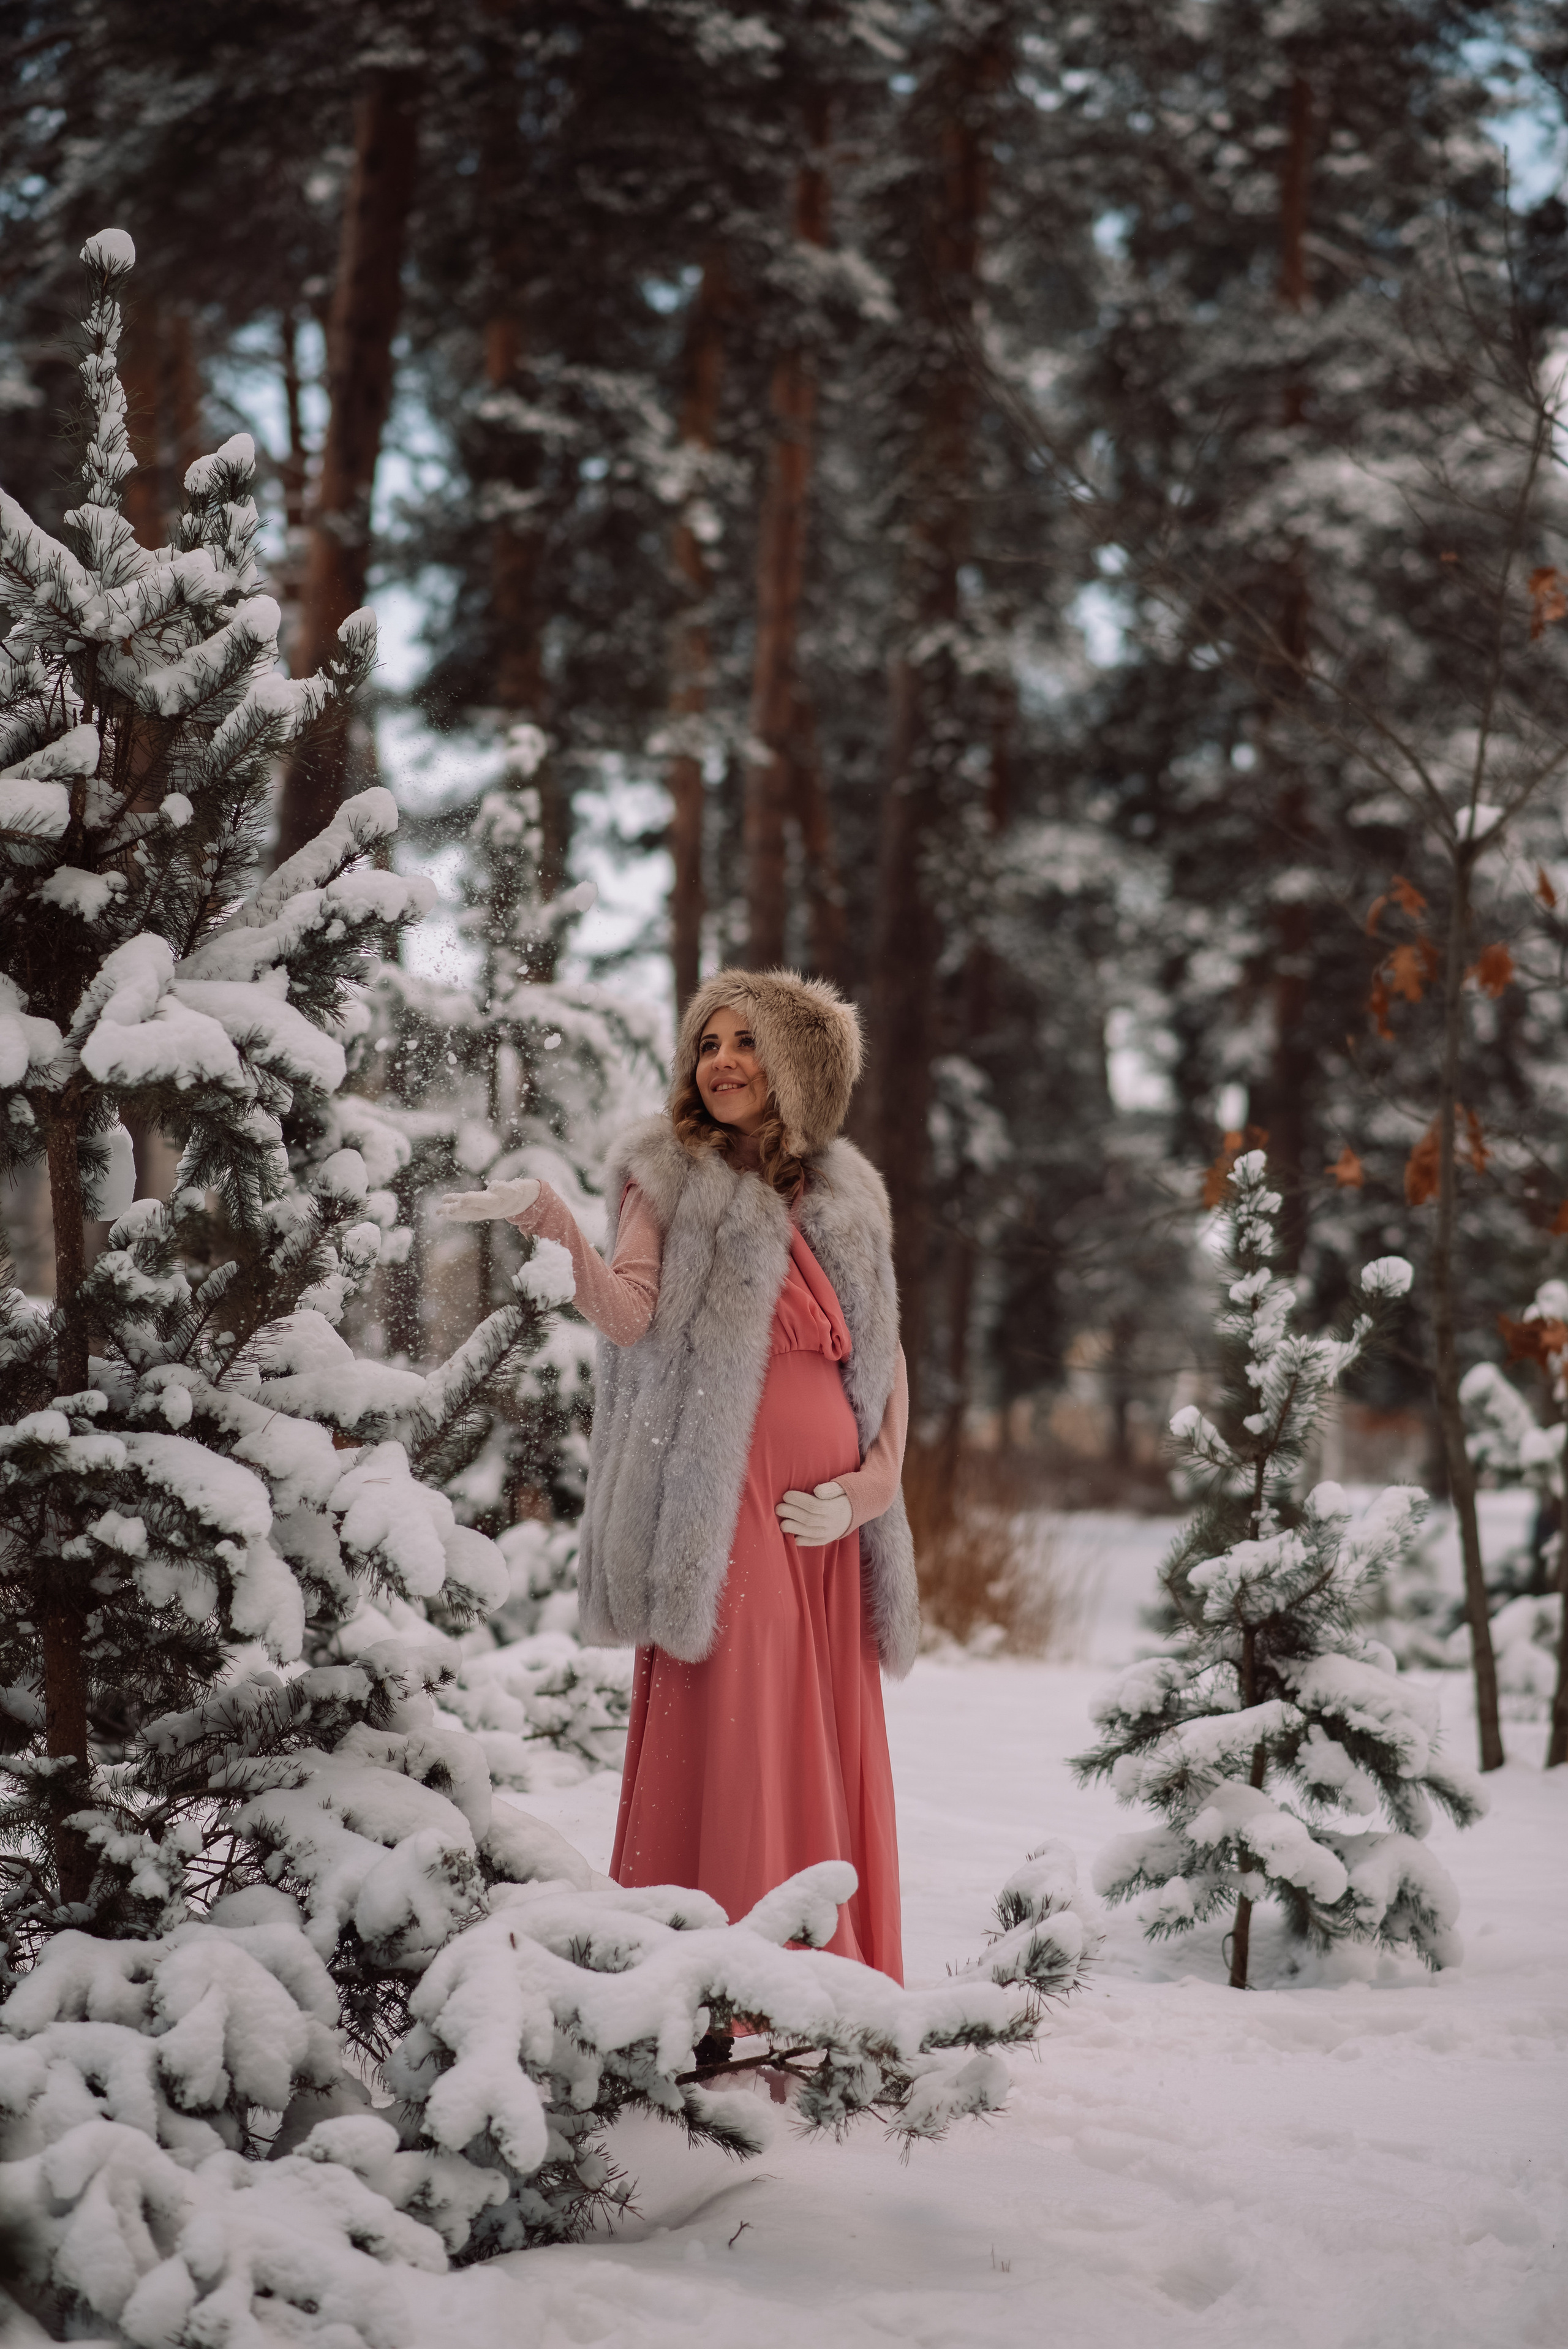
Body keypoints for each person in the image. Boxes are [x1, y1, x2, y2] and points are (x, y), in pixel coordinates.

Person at [439, 968, 916, 1983]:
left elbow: (884, 1360)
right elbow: (630, 1314)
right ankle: (726, 1989)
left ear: (799, 1068)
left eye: (747, 1043)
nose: (724, 1061)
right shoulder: (664, 1176)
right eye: (709, 1043)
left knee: (820, 1730)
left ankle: (833, 1987)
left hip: (827, 1522)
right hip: (726, 1498)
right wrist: (557, 1223)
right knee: (743, 1721)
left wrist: (869, 1492)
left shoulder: (847, 1194)